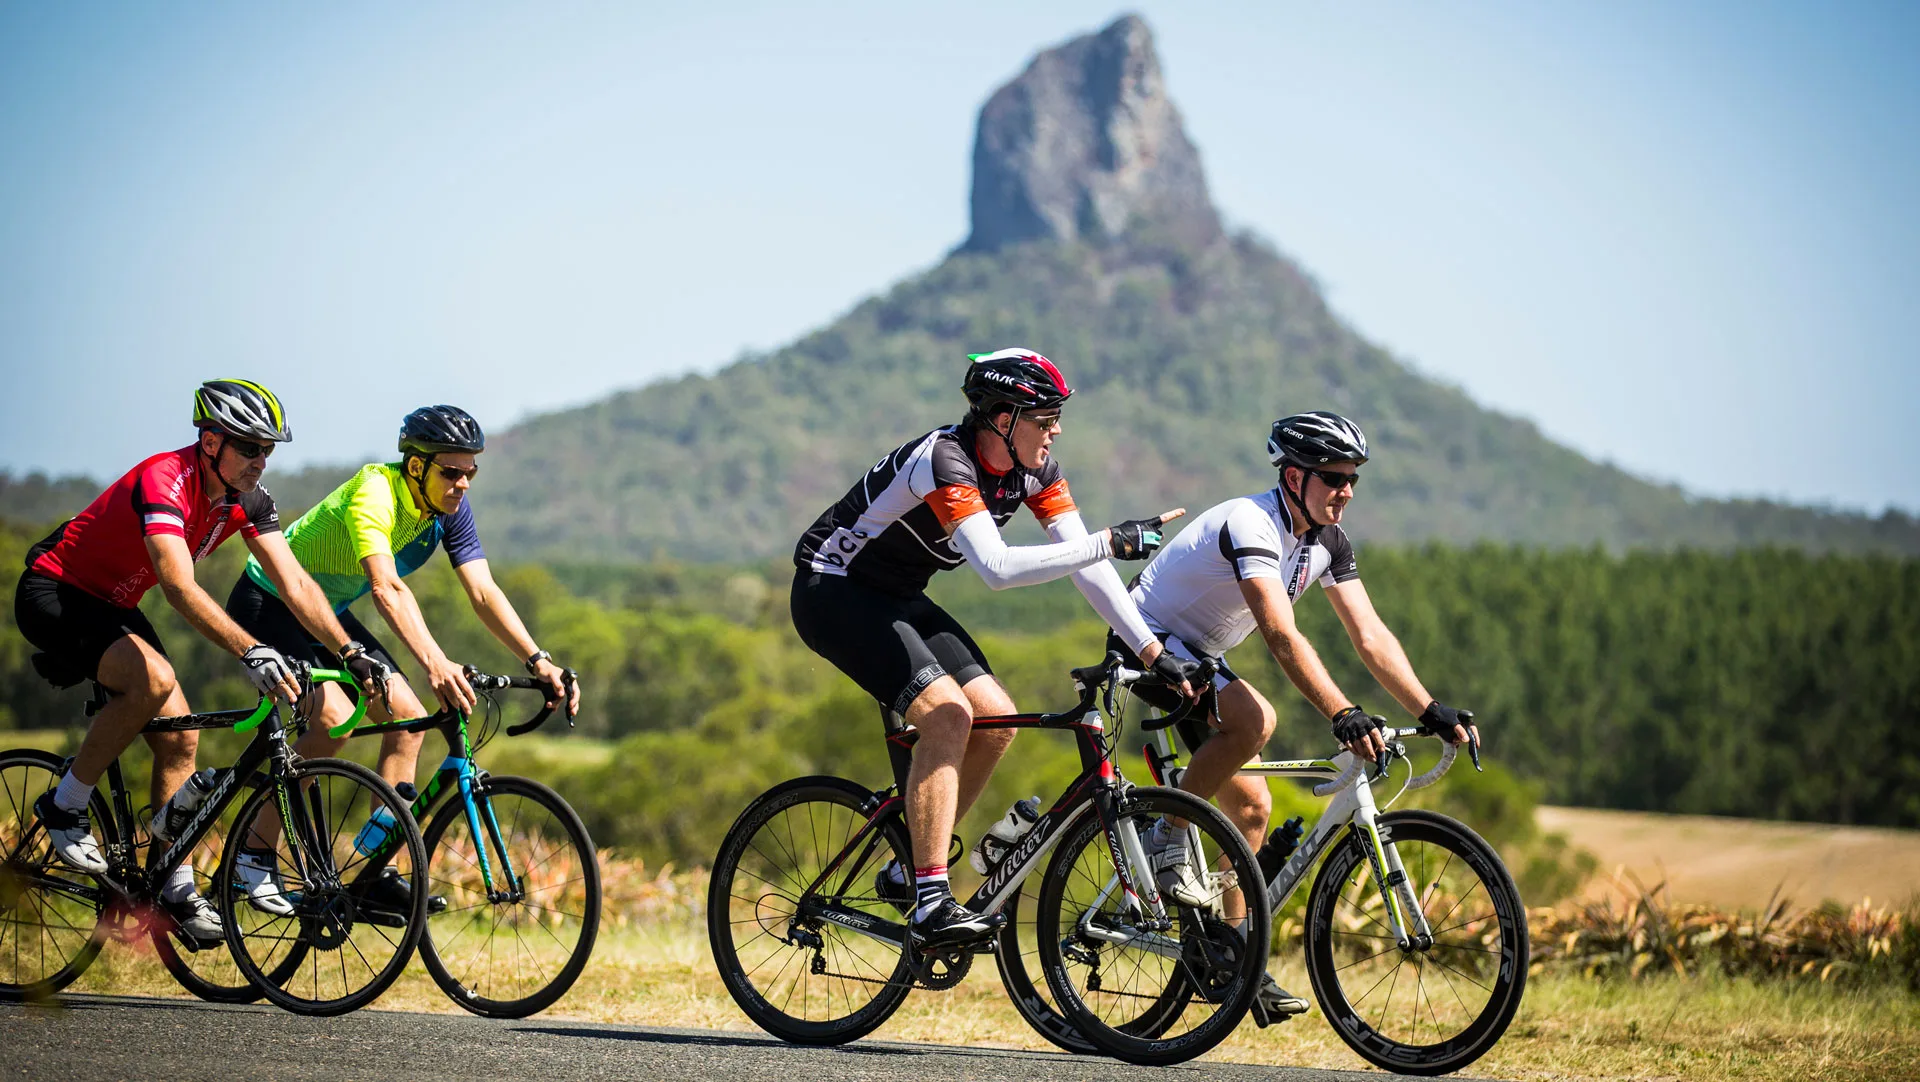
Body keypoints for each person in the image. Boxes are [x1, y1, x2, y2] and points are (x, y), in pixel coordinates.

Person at [790, 348, 1199, 950]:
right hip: (834, 591)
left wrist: (1148, 648)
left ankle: (908, 870)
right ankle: (931, 900)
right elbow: (999, 569)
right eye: (1044, 416)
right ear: (1002, 418)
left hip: (898, 594)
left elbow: (1085, 563)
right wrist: (1109, 540)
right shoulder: (944, 461)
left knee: (997, 720)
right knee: (949, 716)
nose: (1055, 429)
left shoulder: (1037, 471)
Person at [1104, 410, 1479, 1026]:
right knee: (1254, 719)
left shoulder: (1328, 542)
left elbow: (1370, 636)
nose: (1346, 490)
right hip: (1145, 642)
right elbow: (1280, 634)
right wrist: (1344, 713)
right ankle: (1165, 835)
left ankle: (1230, 953)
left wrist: (1429, 708)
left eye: (1353, 478)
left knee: (1251, 808)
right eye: (1334, 477)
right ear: (1294, 475)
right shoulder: (1252, 524)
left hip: (1200, 654)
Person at [16, 380, 389, 943]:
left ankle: (174, 887)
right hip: (55, 591)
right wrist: (250, 648)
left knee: (181, 738)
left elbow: (293, 582)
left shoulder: (250, 499)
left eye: (268, 450)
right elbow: (177, 586)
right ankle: (65, 804)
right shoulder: (165, 479)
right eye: (249, 448)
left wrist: (350, 650)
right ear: (210, 442)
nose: (260, 462)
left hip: (112, 604)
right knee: (156, 680)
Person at [223, 404, 578, 914]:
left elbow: (482, 591)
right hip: (269, 603)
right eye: (451, 472)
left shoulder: (448, 511)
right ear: (416, 467)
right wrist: (435, 662)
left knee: (409, 719)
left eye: (471, 472)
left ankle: (373, 875)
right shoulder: (375, 492)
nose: (463, 483)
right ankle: (253, 855)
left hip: (327, 613)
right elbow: (386, 588)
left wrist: (538, 660)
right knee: (335, 721)